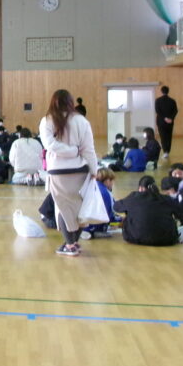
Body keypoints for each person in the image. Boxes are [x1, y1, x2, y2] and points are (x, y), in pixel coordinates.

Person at [39, 89, 98, 257]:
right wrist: (94, 170)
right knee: (79, 210)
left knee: (63, 209)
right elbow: (89, 149)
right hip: (80, 170)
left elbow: (49, 145)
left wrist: (70, 151)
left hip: (58, 172)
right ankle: (74, 243)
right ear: (71, 102)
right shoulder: (81, 121)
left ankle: (70, 245)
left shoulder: (47, 120)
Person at [114, 176, 183, 246]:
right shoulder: (166, 198)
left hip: (134, 238)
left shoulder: (134, 196)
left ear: (140, 188)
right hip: (166, 239)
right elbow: (180, 214)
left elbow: (116, 207)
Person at [80, 167, 121, 240]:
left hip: (81, 223)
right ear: (108, 180)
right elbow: (110, 216)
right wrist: (121, 220)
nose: (112, 183)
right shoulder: (106, 193)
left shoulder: (88, 187)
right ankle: (94, 231)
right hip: (95, 226)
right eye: (112, 181)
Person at [155, 85, 178, 159]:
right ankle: (168, 151)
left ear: (161, 91)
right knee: (169, 136)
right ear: (168, 91)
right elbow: (175, 111)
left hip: (161, 121)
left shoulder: (158, 100)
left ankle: (165, 152)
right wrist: (171, 118)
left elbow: (157, 111)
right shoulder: (172, 101)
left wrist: (164, 118)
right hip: (170, 122)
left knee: (163, 136)